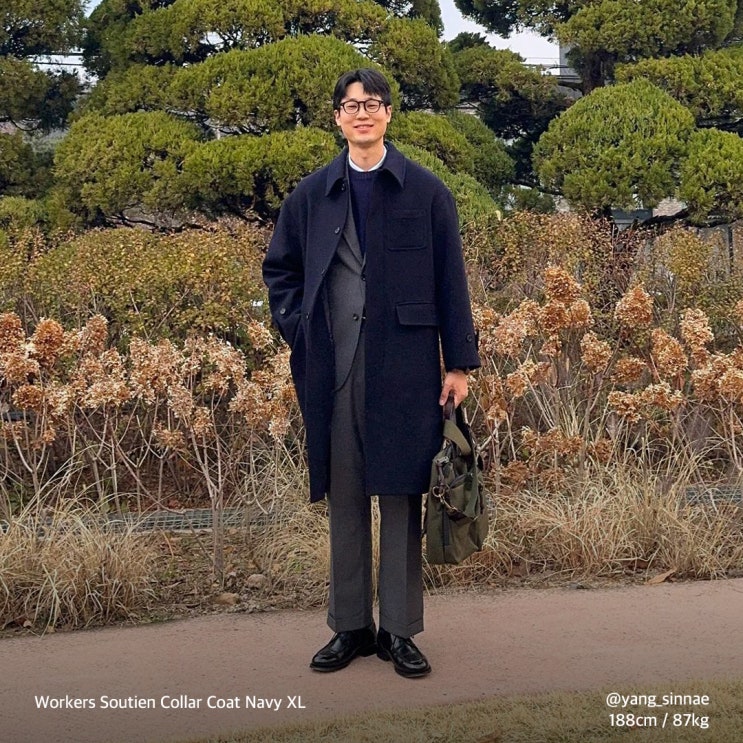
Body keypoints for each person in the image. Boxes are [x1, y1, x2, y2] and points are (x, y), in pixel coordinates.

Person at [262, 68, 480, 678]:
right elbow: (280, 270)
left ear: (388, 114)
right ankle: (350, 627)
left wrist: (459, 363)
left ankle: (399, 632)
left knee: (402, 497)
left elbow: (451, 279)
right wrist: (301, 330)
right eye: (352, 105)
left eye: (373, 103)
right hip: (333, 369)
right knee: (347, 498)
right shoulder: (311, 195)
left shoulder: (426, 192)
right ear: (337, 117)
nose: (363, 113)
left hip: (405, 369)